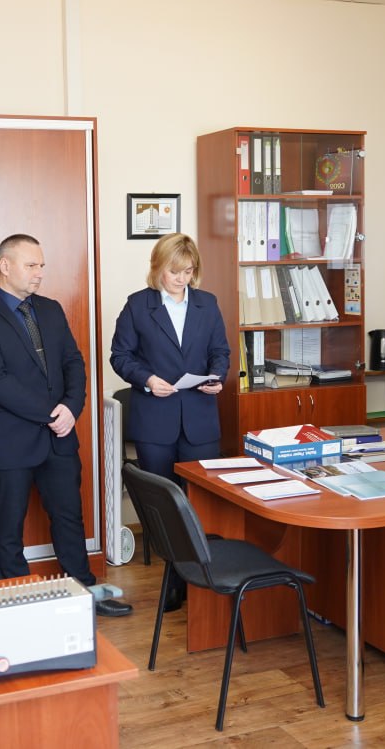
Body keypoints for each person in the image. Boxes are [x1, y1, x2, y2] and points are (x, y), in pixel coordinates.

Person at [0, 234, 132, 618]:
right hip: (11, 441)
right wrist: (52, 413)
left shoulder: (51, 310)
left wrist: (71, 408)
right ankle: (17, 602)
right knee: (8, 526)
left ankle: (86, 593)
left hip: (60, 437)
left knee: (70, 517)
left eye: (42, 265)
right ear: (5, 266)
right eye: (31, 265)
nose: (39, 273)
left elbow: (74, 362)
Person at [109, 233, 229, 612]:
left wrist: (217, 376)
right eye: (174, 272)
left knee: (200, 502)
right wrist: (146, 379)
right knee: (166, 505)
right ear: (158, 267)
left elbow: (220, 352)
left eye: (188, 272)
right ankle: (174, 580)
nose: (181, 279)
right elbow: (120, 356)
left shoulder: (208, 304)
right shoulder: (138, 305)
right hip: (155, 422)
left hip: (199, 420)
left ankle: (202, 580)